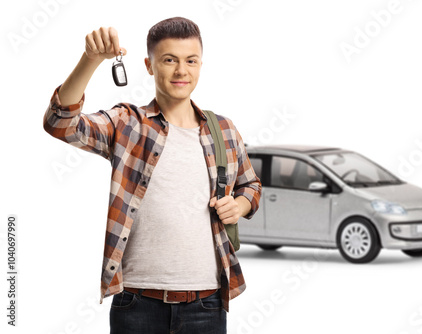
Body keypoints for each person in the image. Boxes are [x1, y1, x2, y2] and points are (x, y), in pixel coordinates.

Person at [43, 17, 262, 333]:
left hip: (207, 304)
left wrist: (239, 206)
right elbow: (59, 123)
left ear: (201, 64)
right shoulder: (128, 124)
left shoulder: (223, 130)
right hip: (137, 305)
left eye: (190, 60)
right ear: (149, 65)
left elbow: (251, 185)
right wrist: (91, 60)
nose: (181, 71)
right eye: (169, 60)